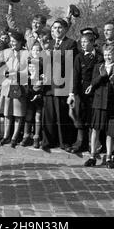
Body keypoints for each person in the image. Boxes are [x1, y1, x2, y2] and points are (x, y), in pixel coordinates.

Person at [84, 46, 114, 168]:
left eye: (110, 54)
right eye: (105, 54)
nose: (107, 57)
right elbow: (93, 82)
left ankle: (108, 157)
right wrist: (102, 76)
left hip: (112, 103)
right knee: (95, 129)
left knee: (110, 131)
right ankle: (92, 156)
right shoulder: (99, 66)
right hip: (99, 102)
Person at [41, 18, 78, 152]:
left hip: (62, 84)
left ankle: (64, 142)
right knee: (49, 115)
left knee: (62, 115)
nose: (57, 30)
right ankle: (48, 141)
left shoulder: (71, 44)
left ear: (65, 29)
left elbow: (68, 63)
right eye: (54, 28)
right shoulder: (49, 44)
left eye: (60, 28)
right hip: (49, 85)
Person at [67, 28, 103, 153]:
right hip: (81, 91)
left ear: (92, 42)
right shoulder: (79, 57)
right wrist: (72, 93)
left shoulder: (99, 57)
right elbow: (75, 75)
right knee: (79, 116)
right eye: (81, 42)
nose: (82, 44)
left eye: (85, 42)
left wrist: (93, 86)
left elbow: (100, 74)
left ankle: (91, 143)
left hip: (95, 91)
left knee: (91, 117)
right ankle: (80, 142)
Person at [0, 31, 28, 147]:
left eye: (15, 41)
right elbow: (0, 65)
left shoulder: (25, 53)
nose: (13, 43)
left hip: (19, 86)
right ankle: (5, 136)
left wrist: (18, 74)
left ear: (20, 42)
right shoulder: (7, 52)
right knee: (7, 113)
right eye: (11, 41)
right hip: (7, 85)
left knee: (18, 113)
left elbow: (28, 69)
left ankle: (14, 137)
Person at [21, 42, 44, 148]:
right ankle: (26, 136)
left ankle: (37, 136)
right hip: (29, 94)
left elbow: (44, 83)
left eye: (38, 50)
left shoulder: (44, 64)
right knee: (28, 116)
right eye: (34, 50)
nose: (36, 52)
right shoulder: (28, 62)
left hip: (39, 95)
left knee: (38, 117)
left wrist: (39, 94)